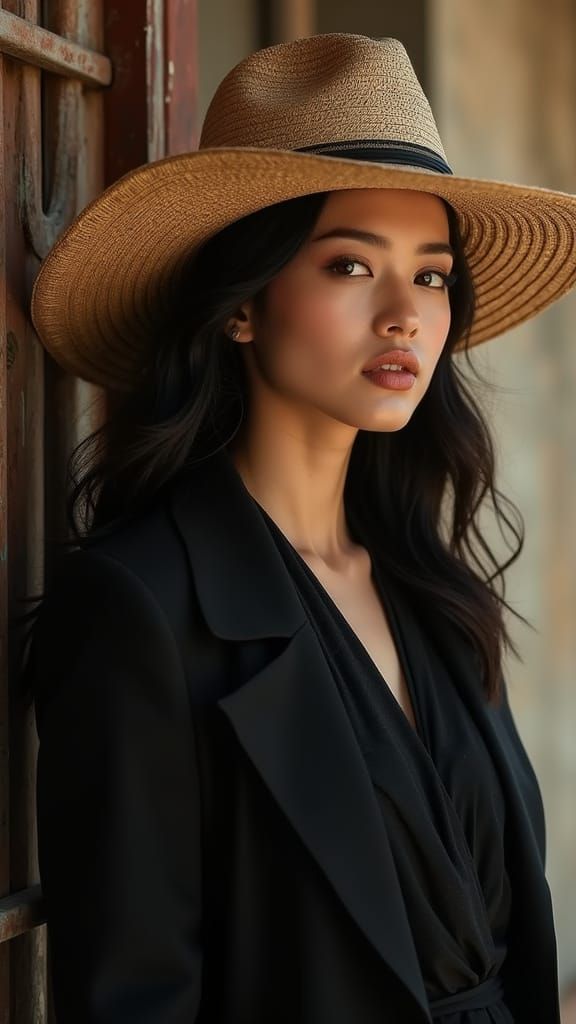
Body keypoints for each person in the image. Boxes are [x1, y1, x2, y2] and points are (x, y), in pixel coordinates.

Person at [20, 31, 576, 1024]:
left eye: (434, 274)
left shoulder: (430, 587)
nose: (406, 314)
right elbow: (134, 999)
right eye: (352, 265)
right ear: (244, 306)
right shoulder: (138, 607)